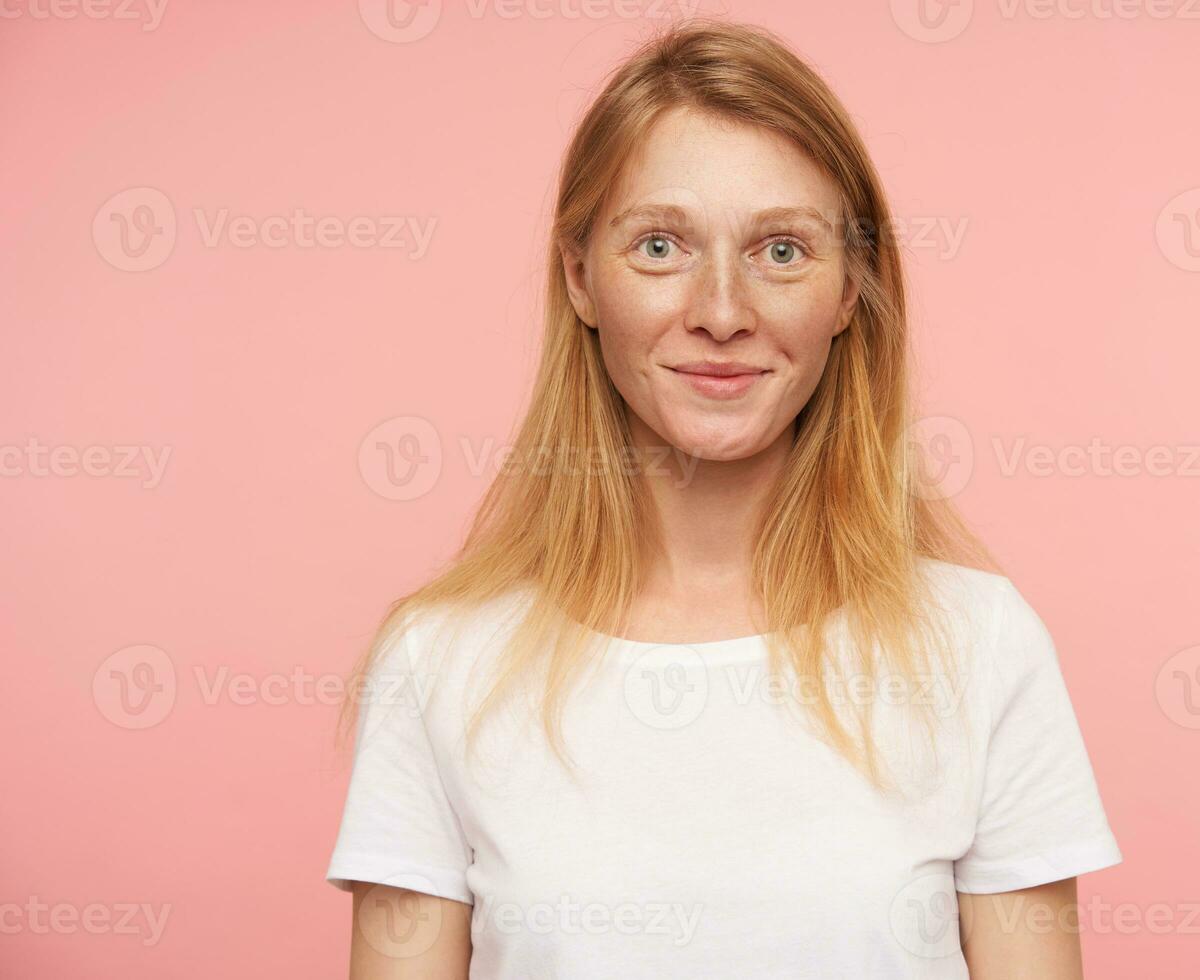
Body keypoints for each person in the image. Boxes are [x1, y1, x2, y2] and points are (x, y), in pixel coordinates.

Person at [325, 18, 1121, 979]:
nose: (722, 310)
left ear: (848, 291)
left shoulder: (982, 645)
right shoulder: (439, 662)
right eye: (660, 245)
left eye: (781, 251)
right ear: (580, 277)